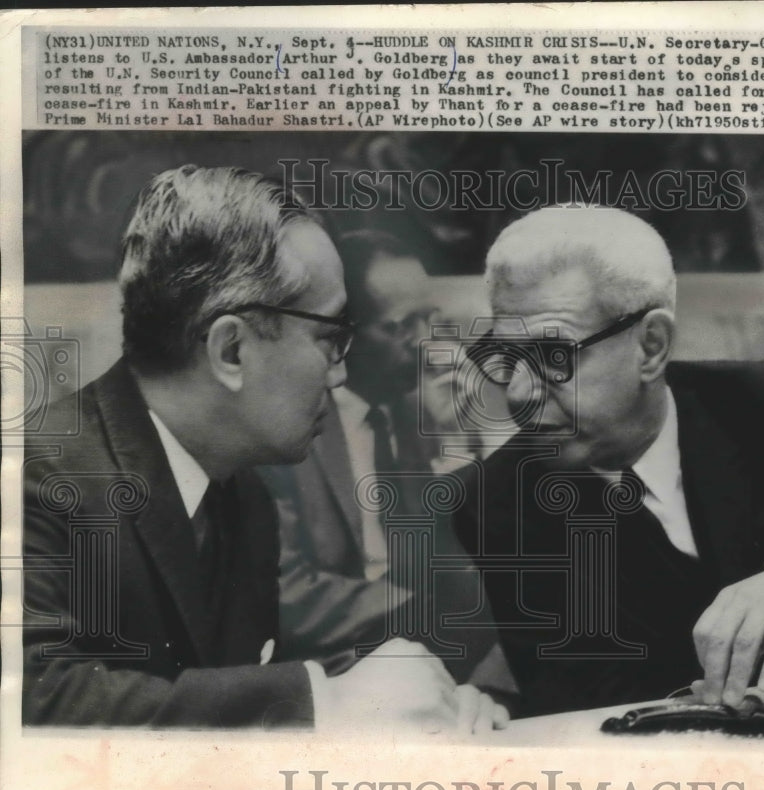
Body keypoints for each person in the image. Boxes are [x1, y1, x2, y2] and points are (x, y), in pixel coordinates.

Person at [22, 165, 507, 732]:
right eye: (329, 338)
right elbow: (34, 697)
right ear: (231, 350)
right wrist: (322, 702)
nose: (340, 373)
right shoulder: (34, 473)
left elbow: (244, 676)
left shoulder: (243, 492)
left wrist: (434, 698)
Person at [451, 205, 764, 718]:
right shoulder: (496, 500)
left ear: (651, 346)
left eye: (552, 356)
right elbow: (591, 704)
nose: (518, 392)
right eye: (505, 357)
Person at [259, 230, 509, 689]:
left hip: (421, 644)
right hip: (334, 664)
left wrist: (457, 439)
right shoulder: (284, 430)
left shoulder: (412, 410)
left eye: (429, 319)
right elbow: (282, 592)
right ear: (343, 336)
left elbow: (458, 558)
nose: (426, 342)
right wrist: (418, 610)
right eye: (402, 326)